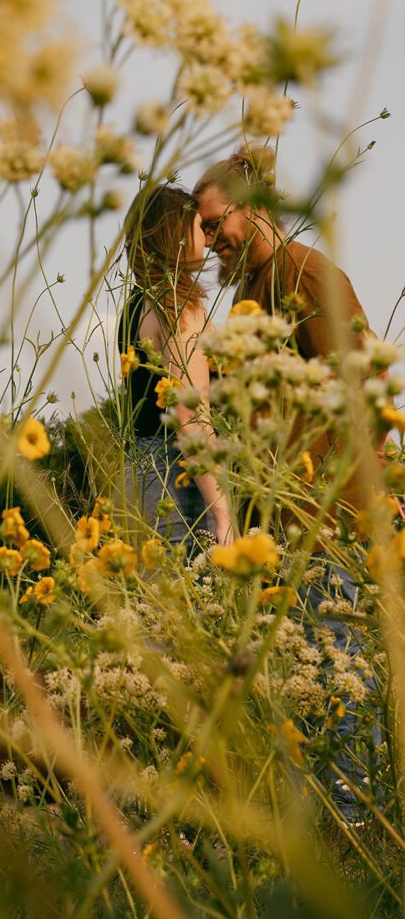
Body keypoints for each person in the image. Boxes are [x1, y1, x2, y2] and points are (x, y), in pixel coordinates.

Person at [195, 145, 382, 826]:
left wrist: (354, 504)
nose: (209, 241)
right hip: (282, 531)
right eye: (204, 230)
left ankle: (358, 833)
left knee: (345, 688)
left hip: (329, 522)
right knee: (306, 698)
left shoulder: (305, 273)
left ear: (258, 209)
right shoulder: (249, 291)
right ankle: (323, 838)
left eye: (217, 225)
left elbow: (362, 396)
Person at [118, 182, 233, 554]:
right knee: (200, 600)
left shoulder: (136, 305)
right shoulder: (179, 305)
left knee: (159, 606)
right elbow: (191, 416)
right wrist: (223, 512)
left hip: (139, 471)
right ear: (177, 233)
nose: (208, 237)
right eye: (201, 226)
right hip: (179, 476)